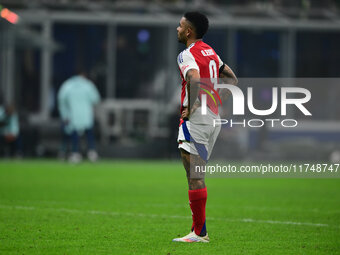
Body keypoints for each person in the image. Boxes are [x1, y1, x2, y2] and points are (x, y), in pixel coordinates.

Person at [173, 12, 238, 243]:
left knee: (195, 177)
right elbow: (231, 78)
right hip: (212, 119)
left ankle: (200, 233)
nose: (177, 29)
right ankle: (198, 230)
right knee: (197, 175)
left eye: (180, 26)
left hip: (197, 120)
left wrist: (191, 107)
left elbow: (193, 77)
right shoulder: (210, 51)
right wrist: (216, 100)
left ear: (189, 31)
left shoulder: (186, 55)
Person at [57, 71, 101, 163]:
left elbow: (61, 100)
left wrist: (64, 114)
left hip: (72, 115)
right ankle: (91, 153)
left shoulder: (67, 85)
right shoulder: (88, 85)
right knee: (88, 134)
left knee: (74, 134)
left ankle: (75, 153)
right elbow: (96, 99)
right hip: (86, 115)